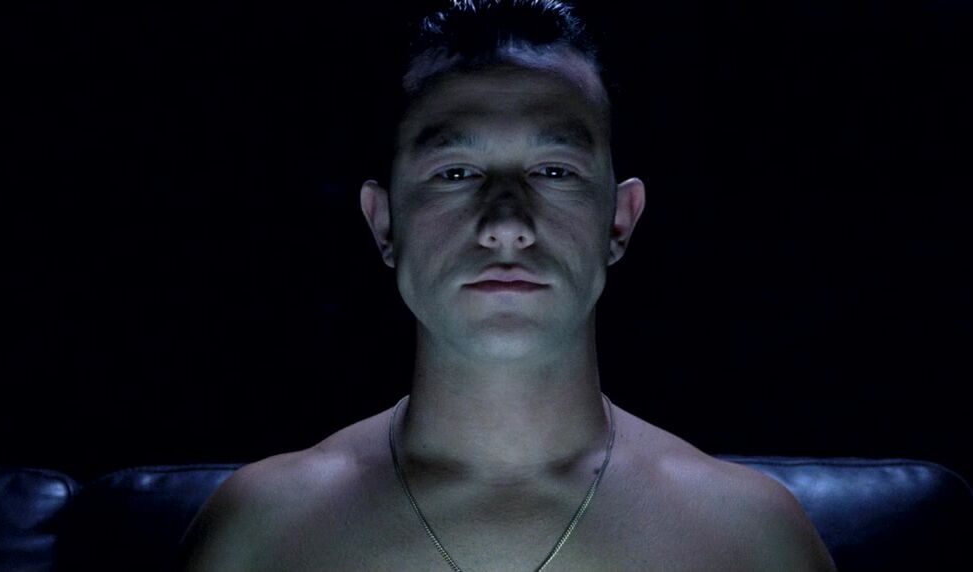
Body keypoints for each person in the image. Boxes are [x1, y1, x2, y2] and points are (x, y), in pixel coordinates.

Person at [179, 1, 837, 569]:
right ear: (384, 223)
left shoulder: (750, 537)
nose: (505, 225)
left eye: (553, 171)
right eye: (455, 173)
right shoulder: (260, 532)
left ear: (618, 220)